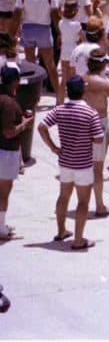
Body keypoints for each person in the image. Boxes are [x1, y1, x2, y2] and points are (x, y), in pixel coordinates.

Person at [38, 75, 104, 250]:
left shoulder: (59, 110)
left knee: (63, 197)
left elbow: (42, 127)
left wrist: (53, 147)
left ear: (68, 91)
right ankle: (78, 240)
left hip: (65, 162)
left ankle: (61, 231)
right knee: (83, 202)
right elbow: (98, 139)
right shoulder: (90, 113)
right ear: (83, 91)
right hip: (84, 164)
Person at [83, 48, 109, 217]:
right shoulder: (104, 82)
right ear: (103, 64)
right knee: (97, 169)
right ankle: (99, 206)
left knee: (84, 166)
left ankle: (83, 203)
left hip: (83, 123)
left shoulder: (81, 79)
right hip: (99, 122)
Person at [0, 66, 33, 241]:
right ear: (15, 81)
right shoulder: (8, 103)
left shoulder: (6, 100)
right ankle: (0, 229)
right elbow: (9, 132)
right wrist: (25, 123)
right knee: (4, 192)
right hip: (5, 153)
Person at [21, 0, 60, 103]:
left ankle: (31, 95)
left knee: (30, 64)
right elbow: (55, 16)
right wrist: (60, 34)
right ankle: (58, 96)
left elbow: (17, 14)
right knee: (50, 64)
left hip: (27, 28)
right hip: (44, 29)